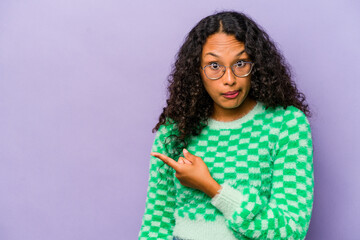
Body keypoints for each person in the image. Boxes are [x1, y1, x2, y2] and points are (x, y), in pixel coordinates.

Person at [138, 10, 314, 240]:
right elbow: (156, 225)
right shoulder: (174, 131)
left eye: (240, 63)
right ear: (197, 71)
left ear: (256, 64)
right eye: (214, 66)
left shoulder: (286, 125)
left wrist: (211, 187)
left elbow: (290, 231)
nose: (229, 78)